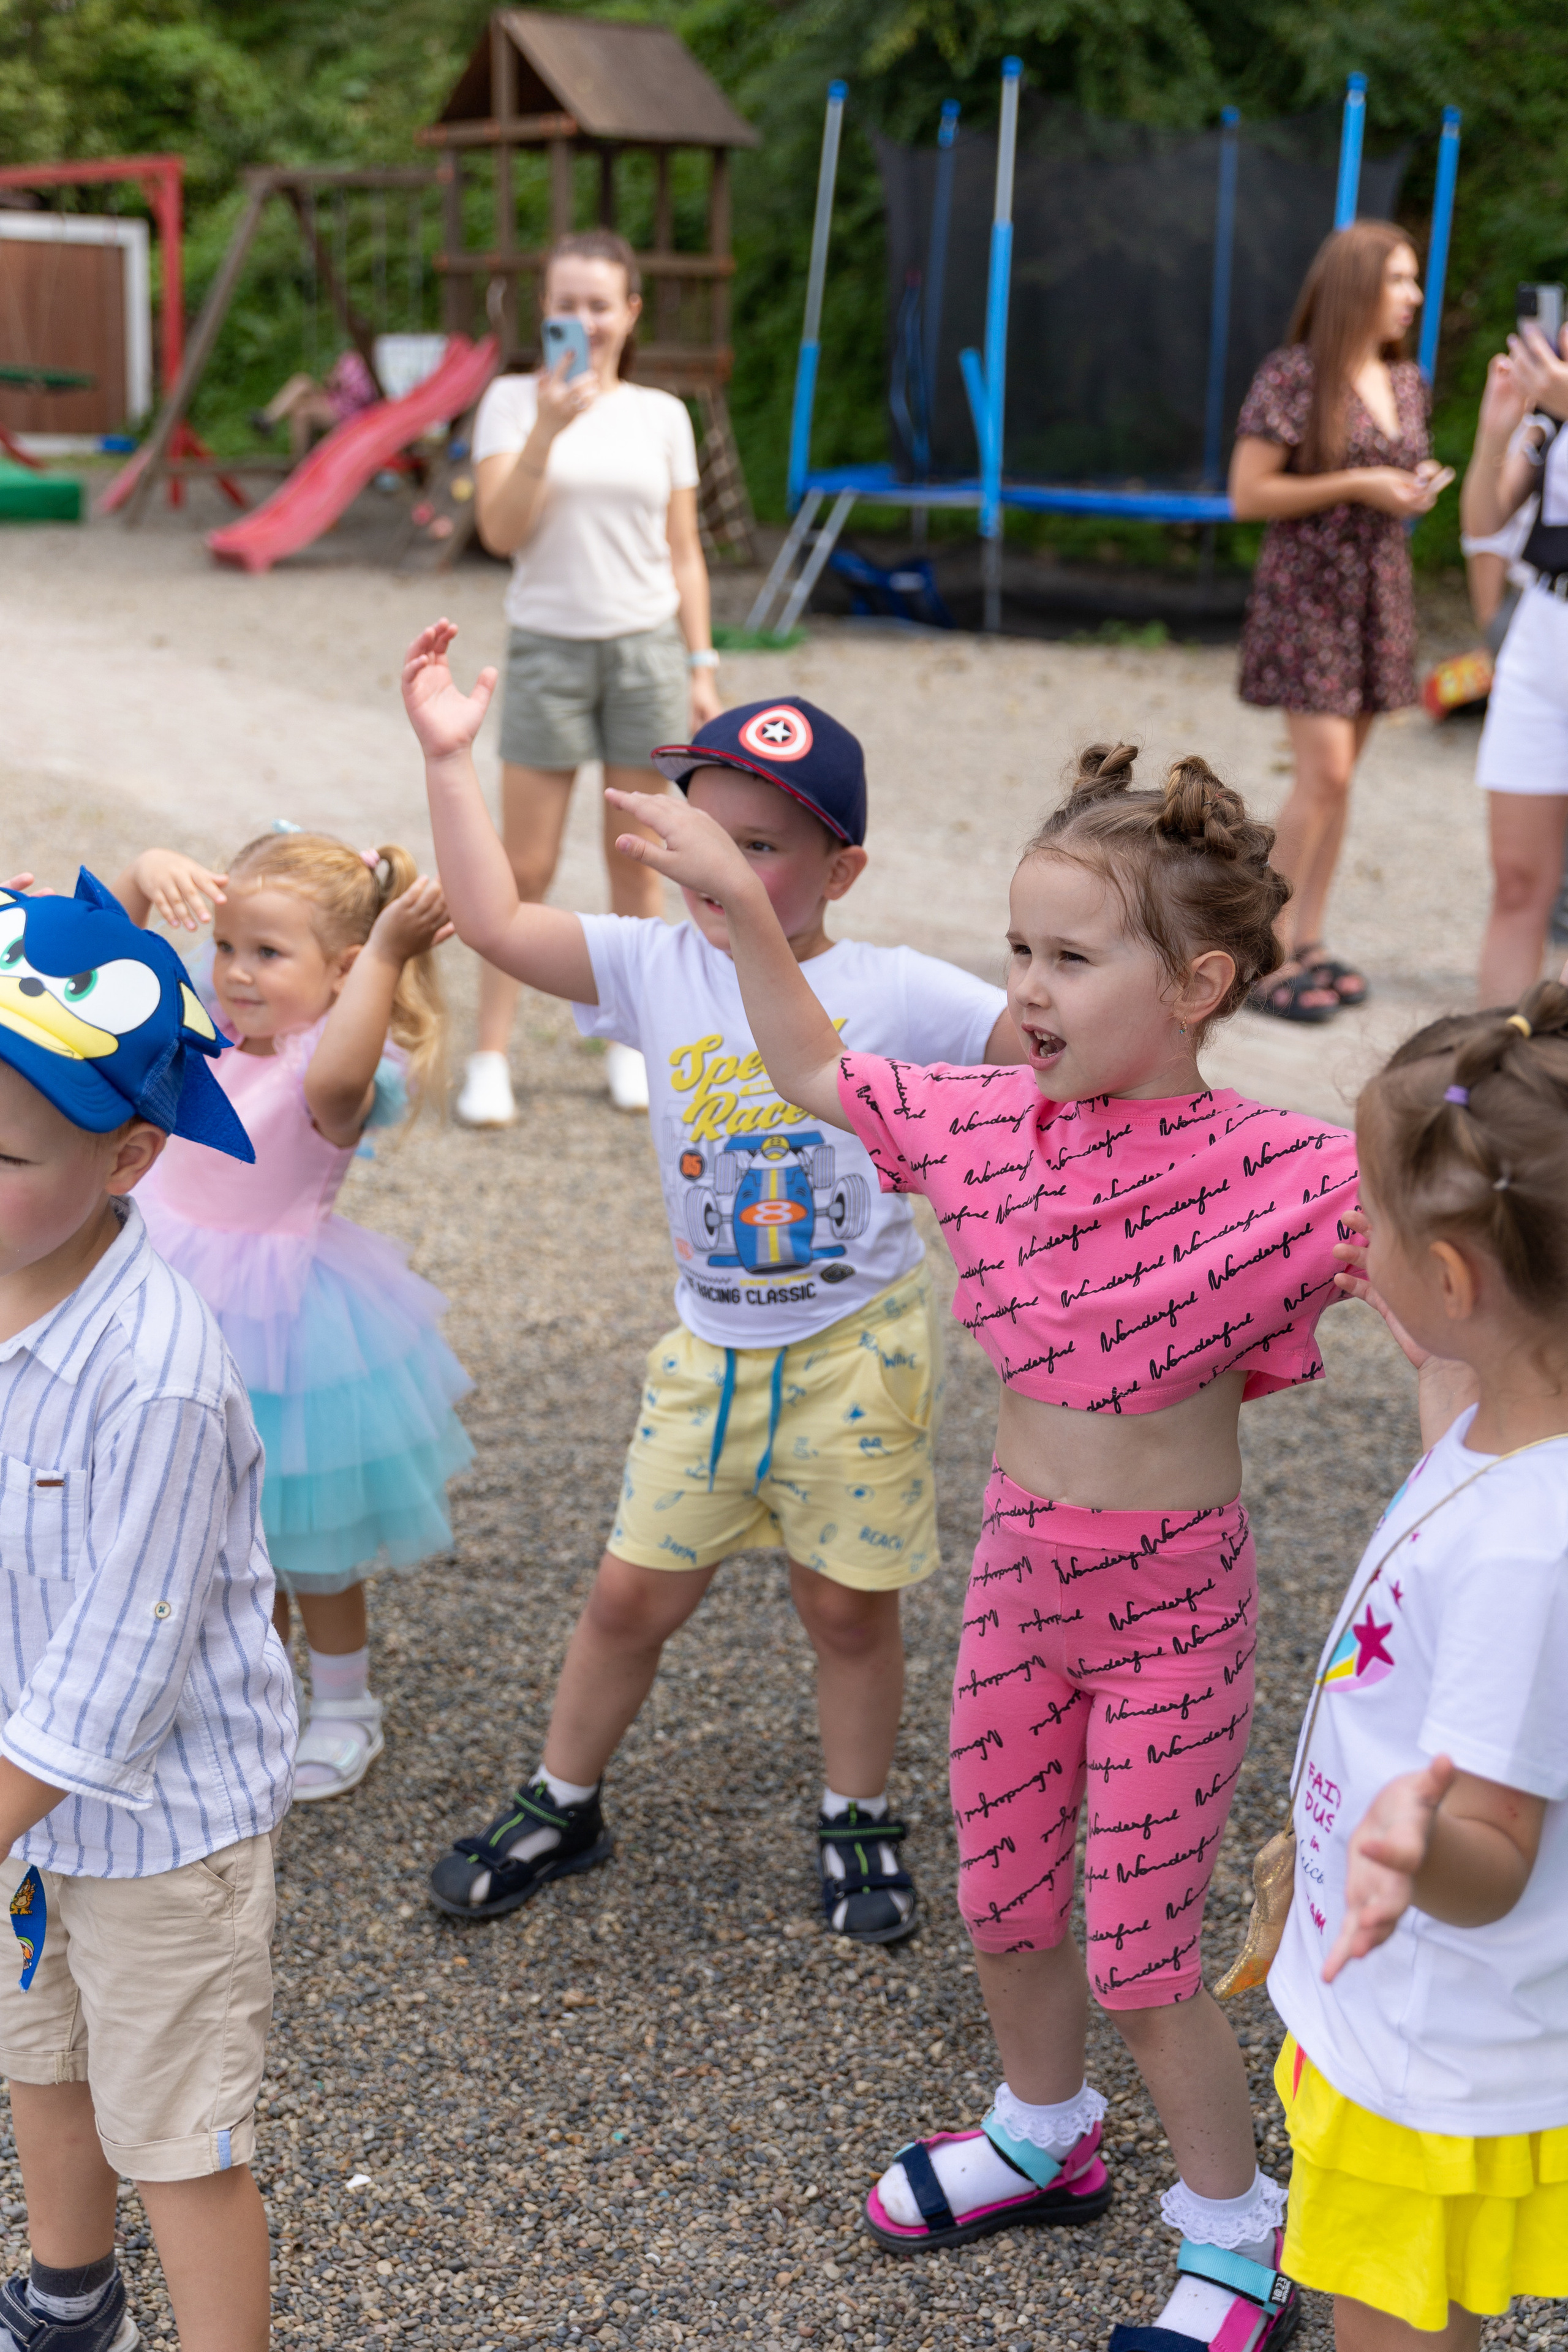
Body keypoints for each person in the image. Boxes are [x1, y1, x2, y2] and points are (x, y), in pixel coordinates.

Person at [594, 740, 1360, 2352]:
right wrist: (737, 906)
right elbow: (812, 1068)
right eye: (1018, 950)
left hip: (1173, 1610)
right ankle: (1042, 2130)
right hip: (1025, 1580)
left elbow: (1464, 1234)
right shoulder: (980, 1125)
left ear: (1201, 983)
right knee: (1007, 1895)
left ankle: (1236, 2235)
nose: (1025, 988)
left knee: (1146, 1946)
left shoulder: (1296, 1171)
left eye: (1071, 959)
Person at [402, 620, 1023, 1943]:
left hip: (857, 1347)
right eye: (702, 833)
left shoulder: (897, 990)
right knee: (631, 1591)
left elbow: (1041, 1049)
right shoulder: (651, 963)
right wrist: (449, 760)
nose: (718, 868)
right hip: (709, 1349)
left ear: (840, 869)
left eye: (759, 847)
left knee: (845, 1607)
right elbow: (495, 921)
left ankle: (857, 1812)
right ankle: (564, 1796)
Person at [0, 870, 294, 2352]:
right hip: (23, 1806)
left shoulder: (157, 1371)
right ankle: (70, 2298)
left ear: (125, 1153)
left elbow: (126, 1655)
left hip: (160, 1827)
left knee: (178, 2129)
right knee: (38, 2056)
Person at [1268, 981, 1568, 2351]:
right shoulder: (1516, 1411)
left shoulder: (1528, 1553)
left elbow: (1493, 1845)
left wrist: (1406, 1845)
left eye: (1368, 1216)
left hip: (1429, 2034)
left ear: (1454, 1278)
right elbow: (1466, 1422)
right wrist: (1430, 1355)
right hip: (1422, 1998)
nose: (1348, 1233)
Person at [115, 831, 472, 1803]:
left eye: (267, 955)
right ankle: (231, 1703)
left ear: (346, 972)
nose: (234, 972)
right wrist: (143, 878)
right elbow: (97, 984)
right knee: (187, 1526)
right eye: (226, 946)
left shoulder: (336, 1064)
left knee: (302, 1535)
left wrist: (391, 957)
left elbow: (334, 1088)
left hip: (278, 1328)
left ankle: (347, 1704)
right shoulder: (208, 1022)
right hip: (155, 1295)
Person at [458, 228, 723, 1128]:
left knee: (637, 863)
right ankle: (490, 1053)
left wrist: (702, 664)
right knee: (522, 866)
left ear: (630, 313)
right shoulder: (507, 402)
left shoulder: (662, 415)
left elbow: (684, 553)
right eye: (566, 303)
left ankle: (627, 1045)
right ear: (545, 311)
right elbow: (500, 531)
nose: (583, 320)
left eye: (599, 304)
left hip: (646, 649)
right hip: (548, 648)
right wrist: (547, 426)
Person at [1231, 221, 1453, 1023]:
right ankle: (1264, 951)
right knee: (1322, 775)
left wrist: (1413, 484)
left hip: (1377, 592)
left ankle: (1310, 936)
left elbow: (1390, 476)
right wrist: (1360, 482)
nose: (1414, 297)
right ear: (1356, 285)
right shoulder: (1293, 375)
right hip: (1310, 597)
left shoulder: (1404, 379)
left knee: (1342, 781)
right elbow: (1249, 495)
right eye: (1399, 280)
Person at [1460, 317, 1568, 1002]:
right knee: (1518, 880)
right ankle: (1494, 1077)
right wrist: (1494, 432)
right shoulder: (1548, 421)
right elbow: (1483, 528)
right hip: (1543, 633)